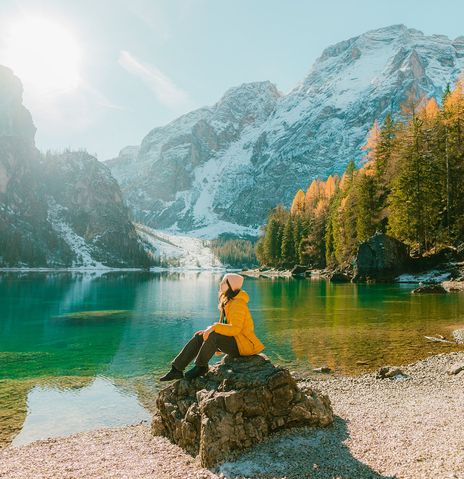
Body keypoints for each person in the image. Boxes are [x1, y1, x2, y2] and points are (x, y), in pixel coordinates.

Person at [160, 272, 265, 381]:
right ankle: (176, 369)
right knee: (200, 336)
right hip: (235, 342)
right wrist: (208, 331)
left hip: (243, 345)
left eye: (224, 282)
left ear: (230, 286)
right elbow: (224, 326)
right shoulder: (228, 302)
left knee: (213, 335)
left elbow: (235, 329)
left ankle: (201, 367)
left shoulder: (238, 304)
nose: (221, 284)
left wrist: (213, 328)